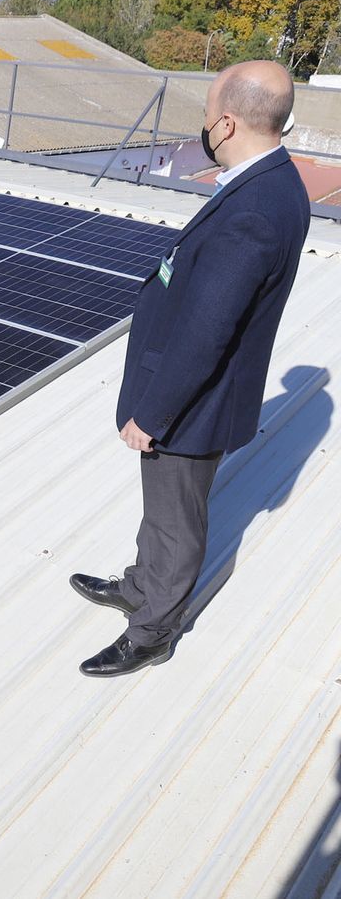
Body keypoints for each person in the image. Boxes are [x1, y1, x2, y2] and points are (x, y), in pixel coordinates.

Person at [70, 60, 310, 678]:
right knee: (163, 508)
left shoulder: (254, 211)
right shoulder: (279, 180)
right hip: (200, 394)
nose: (204, 126)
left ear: (227, 122)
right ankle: (140, 584)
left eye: (206, 115)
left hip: (191, 403)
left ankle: (152, 631)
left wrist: (154, 412)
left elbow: (208, 332)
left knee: (176, 521)